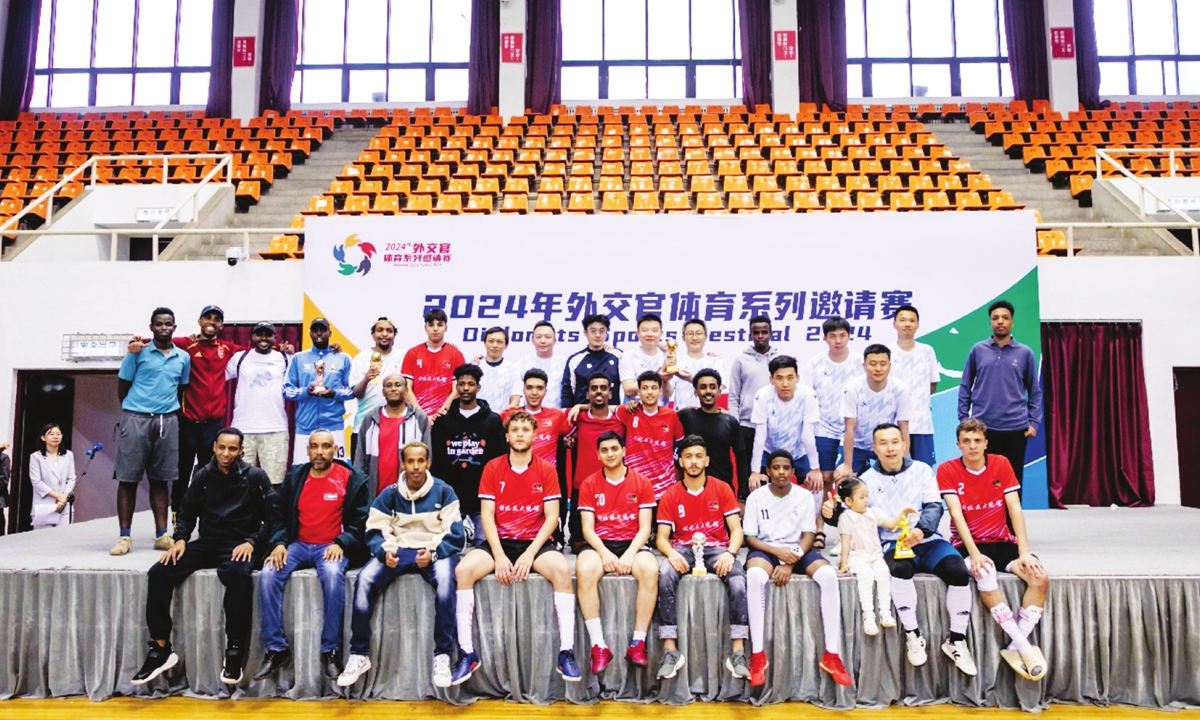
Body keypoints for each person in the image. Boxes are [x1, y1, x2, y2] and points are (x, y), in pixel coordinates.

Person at [822, 423, 978, 676]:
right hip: (890, 543)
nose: (890, 448)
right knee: (900, 570)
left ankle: (956, 640)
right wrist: (830, 515)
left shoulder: (923, 470)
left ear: (904, 444)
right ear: (874, 448)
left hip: (926, 539)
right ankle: (913, 635)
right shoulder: (866, 480)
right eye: (883, 443)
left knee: (958, 571)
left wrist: (922, 531)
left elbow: (933, 506)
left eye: (895, 442)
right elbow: (850, 512)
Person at [131, 428, 278, 686]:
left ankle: (233, 651)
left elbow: (272, 517)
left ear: (241, 450)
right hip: (208, 542)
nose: (226, 453)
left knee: (238, 574)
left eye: (232, 449)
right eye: (222, 447)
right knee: (159, 571)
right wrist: (180, 540)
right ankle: (161, 648)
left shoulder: (255, 476)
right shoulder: (203, 476)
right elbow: (186, 513)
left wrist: (252, 542)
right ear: (214, 447)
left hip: (240, 544)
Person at [451, 411, 581, 685]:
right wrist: (499, 555)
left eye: (526, 429)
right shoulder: (493, 467)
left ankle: (566, 653)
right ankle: (466, 653)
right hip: (500, 541)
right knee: (463, 570)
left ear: (535, 435)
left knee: (561, 571)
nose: (521, 433)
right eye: (515, 429)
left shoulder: (546, 469)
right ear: (507, 436)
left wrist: (530, 554)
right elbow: (487, 516)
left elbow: (552, 517)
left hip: (535, 542)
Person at [337, 441, 466, 689]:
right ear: (403, 464)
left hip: (431, 549)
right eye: (410, 461)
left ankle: (442, 654)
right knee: (364, 579)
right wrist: (384, 550)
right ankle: (359, 654)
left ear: (428, 463)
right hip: (397, 549)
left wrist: (434, 552)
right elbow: (375, 528)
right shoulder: (390, 493)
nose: (416, 467)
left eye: (420, 461)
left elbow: (456, 533)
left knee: (447, 581)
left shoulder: (444, 491)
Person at [253, 429, 370, 682]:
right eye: (314, 446)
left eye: (325, 446)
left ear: (334, 449)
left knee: (331, 576)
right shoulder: (296, 477)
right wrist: (279, 543)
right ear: (307, 450)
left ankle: (330, 650)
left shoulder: (351, 478)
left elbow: (361, 520)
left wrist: (342, 543)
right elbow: (278, 515)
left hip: (331, 546)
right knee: (268, 574)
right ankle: (275, 648)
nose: (319, 452)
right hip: (298, 545)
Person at [938, 419, 1049, 681]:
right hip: (968, 545)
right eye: (967, 441)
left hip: (1002, 542)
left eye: (977, 441)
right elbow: (956, 514)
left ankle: (1013, 647)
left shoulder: (1001, 463)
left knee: (1039, 577)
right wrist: (974, 554)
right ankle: (1025, 647)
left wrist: (1024, 551)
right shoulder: (947, 469)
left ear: (986, 443)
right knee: (985, 572)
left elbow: (1015, 510)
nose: (972, 446)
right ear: (958, 445)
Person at [743, 450, 851, 688]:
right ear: (768, 471)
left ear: (793, 471)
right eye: (776, 468)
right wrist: (779, 555)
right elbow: (750, 537)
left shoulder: (803, 496)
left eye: (786, 468)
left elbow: (809, 535)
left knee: (828, 576)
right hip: (767, 549)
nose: (781, 472)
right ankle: (758, 655)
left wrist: (790, 561)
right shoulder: (756, 498)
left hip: (798, 550)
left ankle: (831, 655)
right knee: (754, 575)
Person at [654, 435, 750, 682]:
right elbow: (662, 538)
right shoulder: (671, 494)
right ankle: (670, 650)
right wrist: (672, 553)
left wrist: (730, 553)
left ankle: (738, 652)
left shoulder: (722, 488)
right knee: (664, 574)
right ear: (681, 461)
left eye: (698, 456)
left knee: (739, 580)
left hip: (717, 549)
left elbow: (736, 530)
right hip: (684, 549)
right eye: (688, 457)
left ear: (707, 460)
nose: (694, 462)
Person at [575, 431, 658, 673]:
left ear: (624, 450)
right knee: (584, 568)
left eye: (614, 448)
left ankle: (637, 643)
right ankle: (599, 646)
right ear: (598, 455)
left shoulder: (642, 482)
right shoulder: (589, 484)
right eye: (604, 450)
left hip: (632, 542)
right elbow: (587, 529)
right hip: (602, 542)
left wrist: (630, 554)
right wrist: (604, 554)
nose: (610, 454)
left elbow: (645, 528)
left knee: (651, 570)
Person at [112, 307, 191, 556]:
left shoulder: (183, 358)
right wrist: (135, 410)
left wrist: (165, 411)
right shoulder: (137, 353)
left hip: (167, 420)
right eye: (159, 324)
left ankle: (161, 534)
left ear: (174, 328)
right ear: (151, 328)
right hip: (136, 418)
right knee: (128, 479)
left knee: (161, 479)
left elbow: (181, 389)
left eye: (168, 324)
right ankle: (124, 537)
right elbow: (123, 386)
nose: (164, 328)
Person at [957, 300, 1043, 484]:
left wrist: (1034, 422)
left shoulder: (1025, 353)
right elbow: (965, 386)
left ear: (1012, 322)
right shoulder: (978, 350)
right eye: (995, 318)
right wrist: (964, 419)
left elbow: (1034, 392)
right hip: (982, 428)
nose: (1000, 322)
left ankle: (1012, 514)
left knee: (1012, 481)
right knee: (984, 480)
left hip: (1016, 428)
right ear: (990, 323)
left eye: (1005, 318)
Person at [430, 364, 507, 545]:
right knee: (447, 547)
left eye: (471, 384)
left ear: (478, 387)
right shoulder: (443, 421)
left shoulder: (493, 420)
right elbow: (436, 462)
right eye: (461, 384)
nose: (465, 388)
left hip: (483, 502)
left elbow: (500, 460)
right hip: (450, 502)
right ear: (456, 386)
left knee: (485, 545)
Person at [833, 477, 910, 635]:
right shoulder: (845, 518)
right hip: (857, 556)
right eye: (861, 497)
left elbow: (891, 524)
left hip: (874, 555)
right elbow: (845, 542)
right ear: (848, 500)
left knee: (883, 572)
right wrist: (844, 563)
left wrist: (903, 513)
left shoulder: (874, 513)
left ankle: (885, 613)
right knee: (866, 574)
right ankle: (868, 616)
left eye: (866, 496)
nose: (866, 500)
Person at [748, 356, 823, 501]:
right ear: (771, 379)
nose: (785, 384)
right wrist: (755, 471)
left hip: (798, 451)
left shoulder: (808, 395)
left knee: (816, 485)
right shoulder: (762, 396)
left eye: (790, 378)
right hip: (770, 452)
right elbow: (760, 436)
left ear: (798, 378)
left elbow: (807, 435)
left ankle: (814, 523)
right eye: (779, 378)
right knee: (757, 486)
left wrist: (815, 469)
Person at [803, 316, 863, 493]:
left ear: (849, 336)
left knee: (848, 479)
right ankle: (820, 521)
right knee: (824, 478)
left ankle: (848, 519)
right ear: (825, 338)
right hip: (824, 428)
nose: (838, 341)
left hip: (853, 429)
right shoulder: (814, 364)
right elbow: (806, 398)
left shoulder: (860, 362)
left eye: (842, 335)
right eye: (832, 336)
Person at [564, 373, 625, 545]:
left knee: (615, 541)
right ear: (587, 393)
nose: (599, 392)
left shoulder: (621, 420)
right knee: (578, 544)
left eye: (603, 388)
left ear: (610, 394)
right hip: (582, 490)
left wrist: (580, 405)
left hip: (615, 491)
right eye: (594, 388)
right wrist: (579, 407)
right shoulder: (576, 418)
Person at [835, 345, 913, 480]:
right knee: (842, 479)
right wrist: (848, 465)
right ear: (864, 366)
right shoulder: (852, 388)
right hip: (857, 446)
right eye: (872, 364)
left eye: (883, 364)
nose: (878, 369)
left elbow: (904, 427)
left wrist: (904, 462)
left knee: (900, 479)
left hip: (885, 444)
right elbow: (849, 428)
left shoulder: (901, 389)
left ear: (889, 365)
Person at [226, 322, 290, 485]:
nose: (263, 338)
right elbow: (215, 376)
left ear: (275, 338)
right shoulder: (240, 358)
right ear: (252, 337)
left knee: (274, 483)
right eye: (259, 334)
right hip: (243, 430)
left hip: (275, 429)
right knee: (240, 484)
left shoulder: (284, 358)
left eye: (268, 334)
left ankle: (271, 512)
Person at [284, 318, 353, 464]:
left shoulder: (343, 358)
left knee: (338, 472)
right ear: (310, 333)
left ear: (330, 332)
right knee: (301, 474)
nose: (319, 333)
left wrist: (334, 393)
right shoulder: (298, 358)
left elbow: (351, 391)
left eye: (323, 330)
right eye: (315, 330)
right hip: (305, 426)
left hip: (334, 426)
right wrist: (306, 392)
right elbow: (287, 390)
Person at [354, 373, 431, 496]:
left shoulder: (419, 418)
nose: (393, 388)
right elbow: (360, 458)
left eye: (398, 385)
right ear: (383, 392)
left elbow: (428, 455)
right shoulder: (371, 418)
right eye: (388, 386)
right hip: (375, 494)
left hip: (409, 493)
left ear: (406, 390)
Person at [727, 315, 780, 490]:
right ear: (750, 334)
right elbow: (734, 396)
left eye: (764, 332)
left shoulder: (780, 359)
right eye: (755, 332)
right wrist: (734, 425)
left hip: (773, 426)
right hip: (746, 426)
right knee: (746, 474)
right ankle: (746, 510)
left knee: (773, 472)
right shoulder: (741, 360)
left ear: (771, 334)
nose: (760, 336)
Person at [678, 369, 749, 495]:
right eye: (703, 387)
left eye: (712, 387)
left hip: (723, 491)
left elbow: (742, 461)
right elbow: (660, 417)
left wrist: (742, 496)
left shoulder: (730, 422)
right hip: (693, 491)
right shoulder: (686, 416)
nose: (708, 391)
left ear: (719, 391)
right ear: (696, 392)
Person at [615, 371, 684, 501]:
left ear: (660, 390)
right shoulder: (629, 412)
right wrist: (579, 406)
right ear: (639, 392)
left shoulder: (671, 415)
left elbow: (680, 446)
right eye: (645, 388)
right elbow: (603, 409)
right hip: (635, 487)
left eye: (653, 388)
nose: (650, 392)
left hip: (664, 487)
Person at [888, 305, 941, 467]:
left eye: (912, 321)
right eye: (902, 320)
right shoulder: (887, 352)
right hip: (893, 423)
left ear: (917, 325)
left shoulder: (927, 351)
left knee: (923, 470)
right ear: (894, 324)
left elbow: (932, 385)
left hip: (922, 424)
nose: (907, 324)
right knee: (894, 468)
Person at [402, 308, 466, 418]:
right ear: (425, 328)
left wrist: (441, 413)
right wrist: (422, 416)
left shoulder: (456, 355)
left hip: (446, 417)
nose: (435, 329)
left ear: (446, 328)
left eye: (440, 325)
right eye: (431, 325)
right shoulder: (413, 353)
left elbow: (457, 390)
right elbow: (406, 390)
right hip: (416, 416)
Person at [351, 317, 406, 442]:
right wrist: (366, 379)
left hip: (395, 426)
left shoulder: (403, 356)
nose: (385, 334)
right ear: (373, 334)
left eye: (389, 331)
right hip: (364, 426)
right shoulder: (362, 358)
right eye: (380, 330)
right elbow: (356, 394)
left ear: (394, 335)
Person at [501, 369, 569, 468]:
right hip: (515, 474)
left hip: (546, 477)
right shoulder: (508, 415)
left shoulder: (557, 416)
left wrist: (580, 407)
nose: (534, 393)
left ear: (545, 391)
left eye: (540, 388)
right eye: (529, 388)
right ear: (523, 390)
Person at [562, 314, 622, 408]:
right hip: (583, 417)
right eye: (593, 331)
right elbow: (567, 393)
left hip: (612, 417)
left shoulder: (618, 356)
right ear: (585, 332)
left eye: (601, 331)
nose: (597, 335)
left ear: (606, 333)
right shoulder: (575, 360)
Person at [29, 423, 76, 529]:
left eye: (58, 434)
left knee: (64, 539)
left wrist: (63, 497)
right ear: (43, 437)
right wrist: (58, 496)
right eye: (51, 434)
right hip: (44, 505)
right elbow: (36, 482)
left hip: (63, 505)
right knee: (44, 541)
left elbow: (71, 478)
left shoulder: (68, 455)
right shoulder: (36, 457)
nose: (55, 437)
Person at [671, 319, 724, 411]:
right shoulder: (676, 362)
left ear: (706, 336)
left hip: (708, 415)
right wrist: (664, 378)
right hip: (682, 415)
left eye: (698, 333)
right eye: (690, 333)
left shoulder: (714, 361)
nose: (694, 338)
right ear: (683, 338)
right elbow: (668, 393)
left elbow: (719, 389)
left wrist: (692, 380)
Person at [619, 314, 672, 403]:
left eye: (655, 330)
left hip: (660, 412)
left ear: (661, 333)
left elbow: (668, 394)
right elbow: (628, 389)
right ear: (638, 333)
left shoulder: (667, 357)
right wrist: (657, 377)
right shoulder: (628, 357)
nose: (650, 334)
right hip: (634, 412)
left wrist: (665, 380)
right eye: (645, 330)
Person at [512, 321, 566, 409]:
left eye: (547, 337)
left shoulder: (564, 364)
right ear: (532, 341)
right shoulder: (522, 364)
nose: (543, 341)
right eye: (539, 337)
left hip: (556, 416)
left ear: (555, 341)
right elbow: (516, 393)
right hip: (528, 417)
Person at [474, 327, 522, 411]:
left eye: (499, 342)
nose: (495, 345)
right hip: (476, 419)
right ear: (485, 343)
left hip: (501, 420)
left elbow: (515, 399)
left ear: (506, 345)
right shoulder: (475, 367)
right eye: (491, 341)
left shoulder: (513, 369)